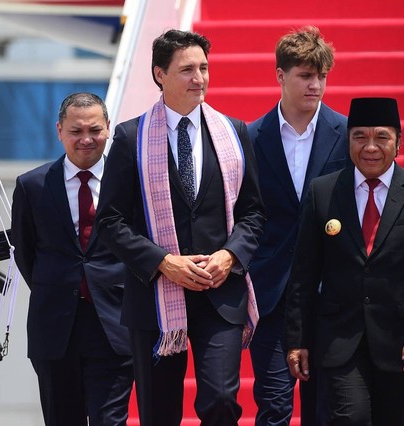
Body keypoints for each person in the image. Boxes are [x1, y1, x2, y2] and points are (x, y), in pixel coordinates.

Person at [95, 29, 265, 426]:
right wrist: (163, 262)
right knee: (159, 411)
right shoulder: (130, 137)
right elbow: (110, 221)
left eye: (204, 68)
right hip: (155, 296)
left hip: (219, 292)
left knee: (222, 400)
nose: (199, 78)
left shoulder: (233, 132)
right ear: (160, 74)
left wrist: (230, 255)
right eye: (187, 69)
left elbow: (254, 213)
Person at [284, 97, 404, 425]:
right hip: (340, 338)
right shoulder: (323, 192)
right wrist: (297, 340)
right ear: (348, 141)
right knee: (351, 417)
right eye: (360, 137)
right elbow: (304, 272)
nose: (370, 147)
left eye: (381, 137)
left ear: (398, 142)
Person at [11, 92, 133, 426]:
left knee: (111, 420)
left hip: (115, 322)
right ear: (59, 131)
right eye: (76, 131)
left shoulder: (131, 182)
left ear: (108, 128)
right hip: (54, 327)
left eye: (94, 130)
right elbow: (26, 251)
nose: (86, 139)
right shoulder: (32, 185)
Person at [247, 26, 348, 426]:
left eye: (321, 76)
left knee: (325, 411)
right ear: (280, 76)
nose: (315, 85)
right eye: (305, 75)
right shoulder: (250, 137)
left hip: (331, 293)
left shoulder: (348, 135)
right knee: (273, 408)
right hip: (271, 293)